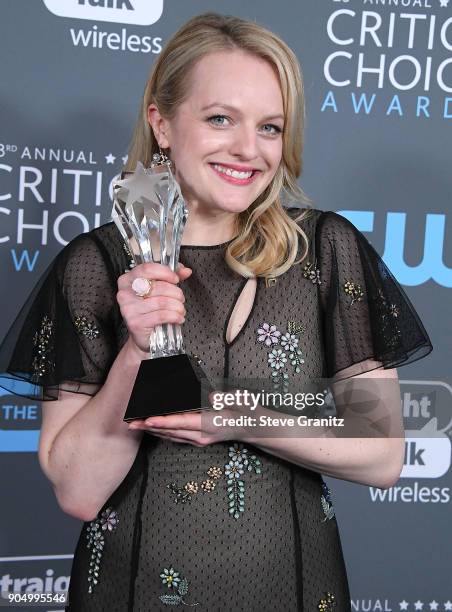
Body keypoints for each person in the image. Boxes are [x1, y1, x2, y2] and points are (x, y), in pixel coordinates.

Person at [0, 12, 433, 612]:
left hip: (295, 589)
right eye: (220, 119)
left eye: (271, 127)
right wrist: (138, 345)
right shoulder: (95, 263)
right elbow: (77, 492)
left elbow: (382, 453)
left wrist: (230, 413)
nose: (248, 150)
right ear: (162, 123)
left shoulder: (327, 249)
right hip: (130, 590)